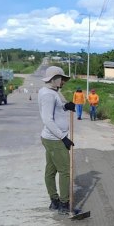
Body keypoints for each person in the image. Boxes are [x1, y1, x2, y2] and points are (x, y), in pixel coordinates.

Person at [38, 66, 77, 214]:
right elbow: (47, 119)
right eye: (62, 79)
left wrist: (65, 106)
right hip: (55, 139)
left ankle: (54, 201)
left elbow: (57, 108)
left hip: (49, 138)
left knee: (51, 170)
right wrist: (63, 137)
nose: (63, 82)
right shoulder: (48, 95)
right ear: (54, 79)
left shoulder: (48, 92)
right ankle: (64, 204)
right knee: (65, 171)